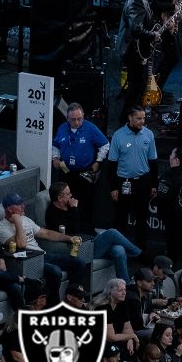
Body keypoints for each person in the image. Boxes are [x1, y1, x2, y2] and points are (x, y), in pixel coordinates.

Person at [0, 192, 85, 305]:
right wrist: (18, 222)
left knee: (80, 263)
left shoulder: (26, 219)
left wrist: (68, 238)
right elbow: (21, 244)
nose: (23, 206)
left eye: (22, 203)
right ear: (9, 208)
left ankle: (72, 299)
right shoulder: (1, 229)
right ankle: (54, 306)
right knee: (55, 271)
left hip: (43, 255)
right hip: (29, 261)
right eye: (18, 204)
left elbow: (46, 233)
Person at [44, 181, 141, 281]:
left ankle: (127, 286)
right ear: (60, 198)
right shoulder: (53, 214)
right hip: (82, 249)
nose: (71, 195)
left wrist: (75, 209)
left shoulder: (71, 205)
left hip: (93, 240)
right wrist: (74, 209)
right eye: (68, 194)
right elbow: (74, 230)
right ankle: (138, 254)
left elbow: (88, 223)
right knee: (112, 233)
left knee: (119, 250)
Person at [108, 105, 159, 247]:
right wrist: (113, 187)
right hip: (123, 182)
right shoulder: (118, 135)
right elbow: (112, 164)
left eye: (143, 118)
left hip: (143, 182)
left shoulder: (148, 134)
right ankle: (119, 249)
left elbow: (153, 161)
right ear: (130, 118)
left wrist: (154, 184)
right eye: (139, 118)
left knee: (142, 218)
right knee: (121, 218)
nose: (142, 121)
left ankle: (141, 250)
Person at [120, 0, 163, 119]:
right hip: (132, 50)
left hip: (135, 49)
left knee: (138, 85)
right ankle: (127, 119)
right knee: (136, 87)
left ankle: (132, 118)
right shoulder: (138, 1)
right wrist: (153, 35)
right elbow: (136, 29)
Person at [52, 101, 109, 206]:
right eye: (73, 120)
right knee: (65, 202)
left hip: (84, 172)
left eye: (80, 118)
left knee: (85, 204)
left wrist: (98, 161)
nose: (77, 122)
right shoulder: (62, 128)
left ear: (83, 115)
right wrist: (55, 158)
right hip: (66, 171)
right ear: (67, 117)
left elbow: (105, 145)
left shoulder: (90, 128)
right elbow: (55, 145)